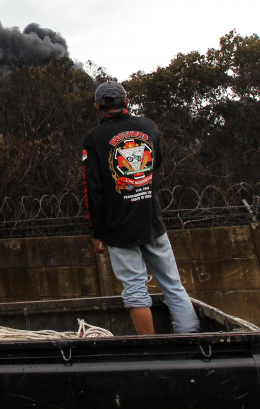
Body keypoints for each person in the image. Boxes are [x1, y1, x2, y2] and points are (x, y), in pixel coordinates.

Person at [82, 81, 200, 334]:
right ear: (126, 102)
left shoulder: (94, 138)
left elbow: (93, 190)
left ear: (97, 107)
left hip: (118, 227)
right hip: (152, 222)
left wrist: (97, 232)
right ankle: (191, 341)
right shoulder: (149, 127)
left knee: (135, 290)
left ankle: (151, 349)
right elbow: (155, 164)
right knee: (173, 285)